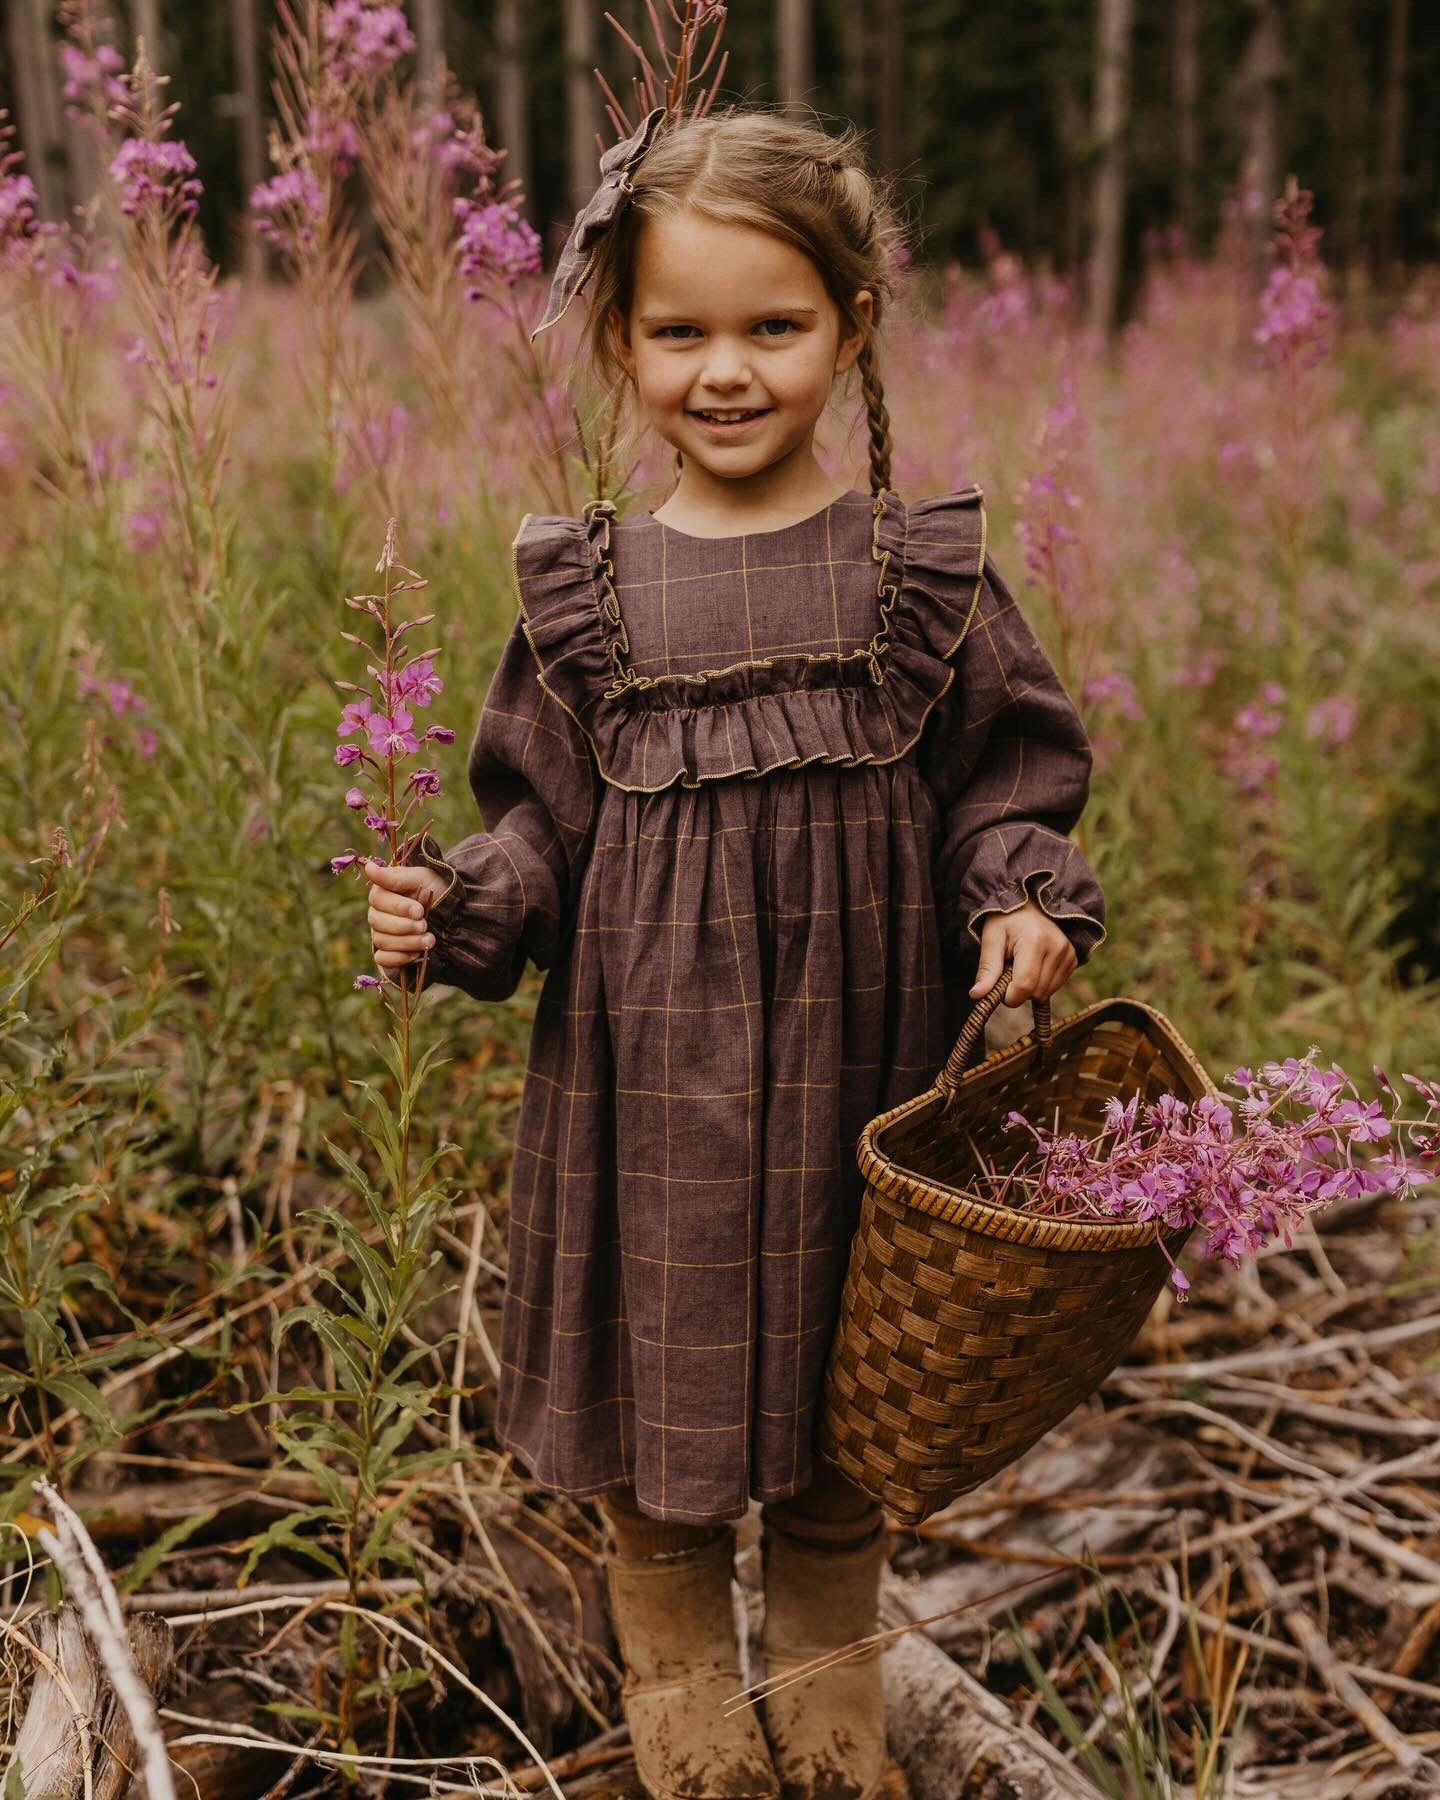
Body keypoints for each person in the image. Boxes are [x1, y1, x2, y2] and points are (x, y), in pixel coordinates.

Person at [366, 105, 1105, 1800]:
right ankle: (691, 1722)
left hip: (863, 1063)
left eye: (774, 326)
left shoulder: (914, 573)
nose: (726, 370)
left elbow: (1002, 773)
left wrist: (1017, 896)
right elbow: (538, 825)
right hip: (654, 1086)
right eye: (679, 329)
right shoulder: (593, 590)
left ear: (851, 326)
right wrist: (460, 903)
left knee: (853, 1409)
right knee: (666, 1404)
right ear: (620, 340)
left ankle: (835, 1718)